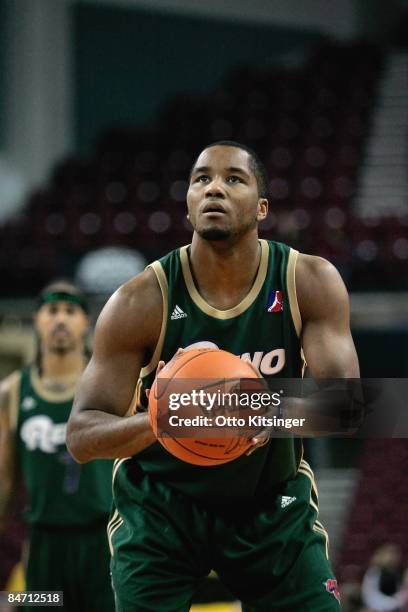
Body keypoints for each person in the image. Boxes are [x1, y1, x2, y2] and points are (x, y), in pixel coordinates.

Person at [67, 141, 360, 611]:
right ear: (187, 205)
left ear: (262, 207)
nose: (214, 189)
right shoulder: (140, 300)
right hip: (162, 508)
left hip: (270, 503)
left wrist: (253, 411)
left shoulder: (308, 280)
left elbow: (346, 408)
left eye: (234, 179)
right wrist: (162, 419)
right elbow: (81, 436)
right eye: (201, 179)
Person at [0, 281, 115, 612]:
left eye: (70, 311)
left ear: (86, 322)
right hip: (44, 545)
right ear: (37, 320)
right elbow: (6, 482)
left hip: (103, 542)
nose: (60, 319)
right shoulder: (12, 391)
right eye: (52, 311)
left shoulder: (109, 385)